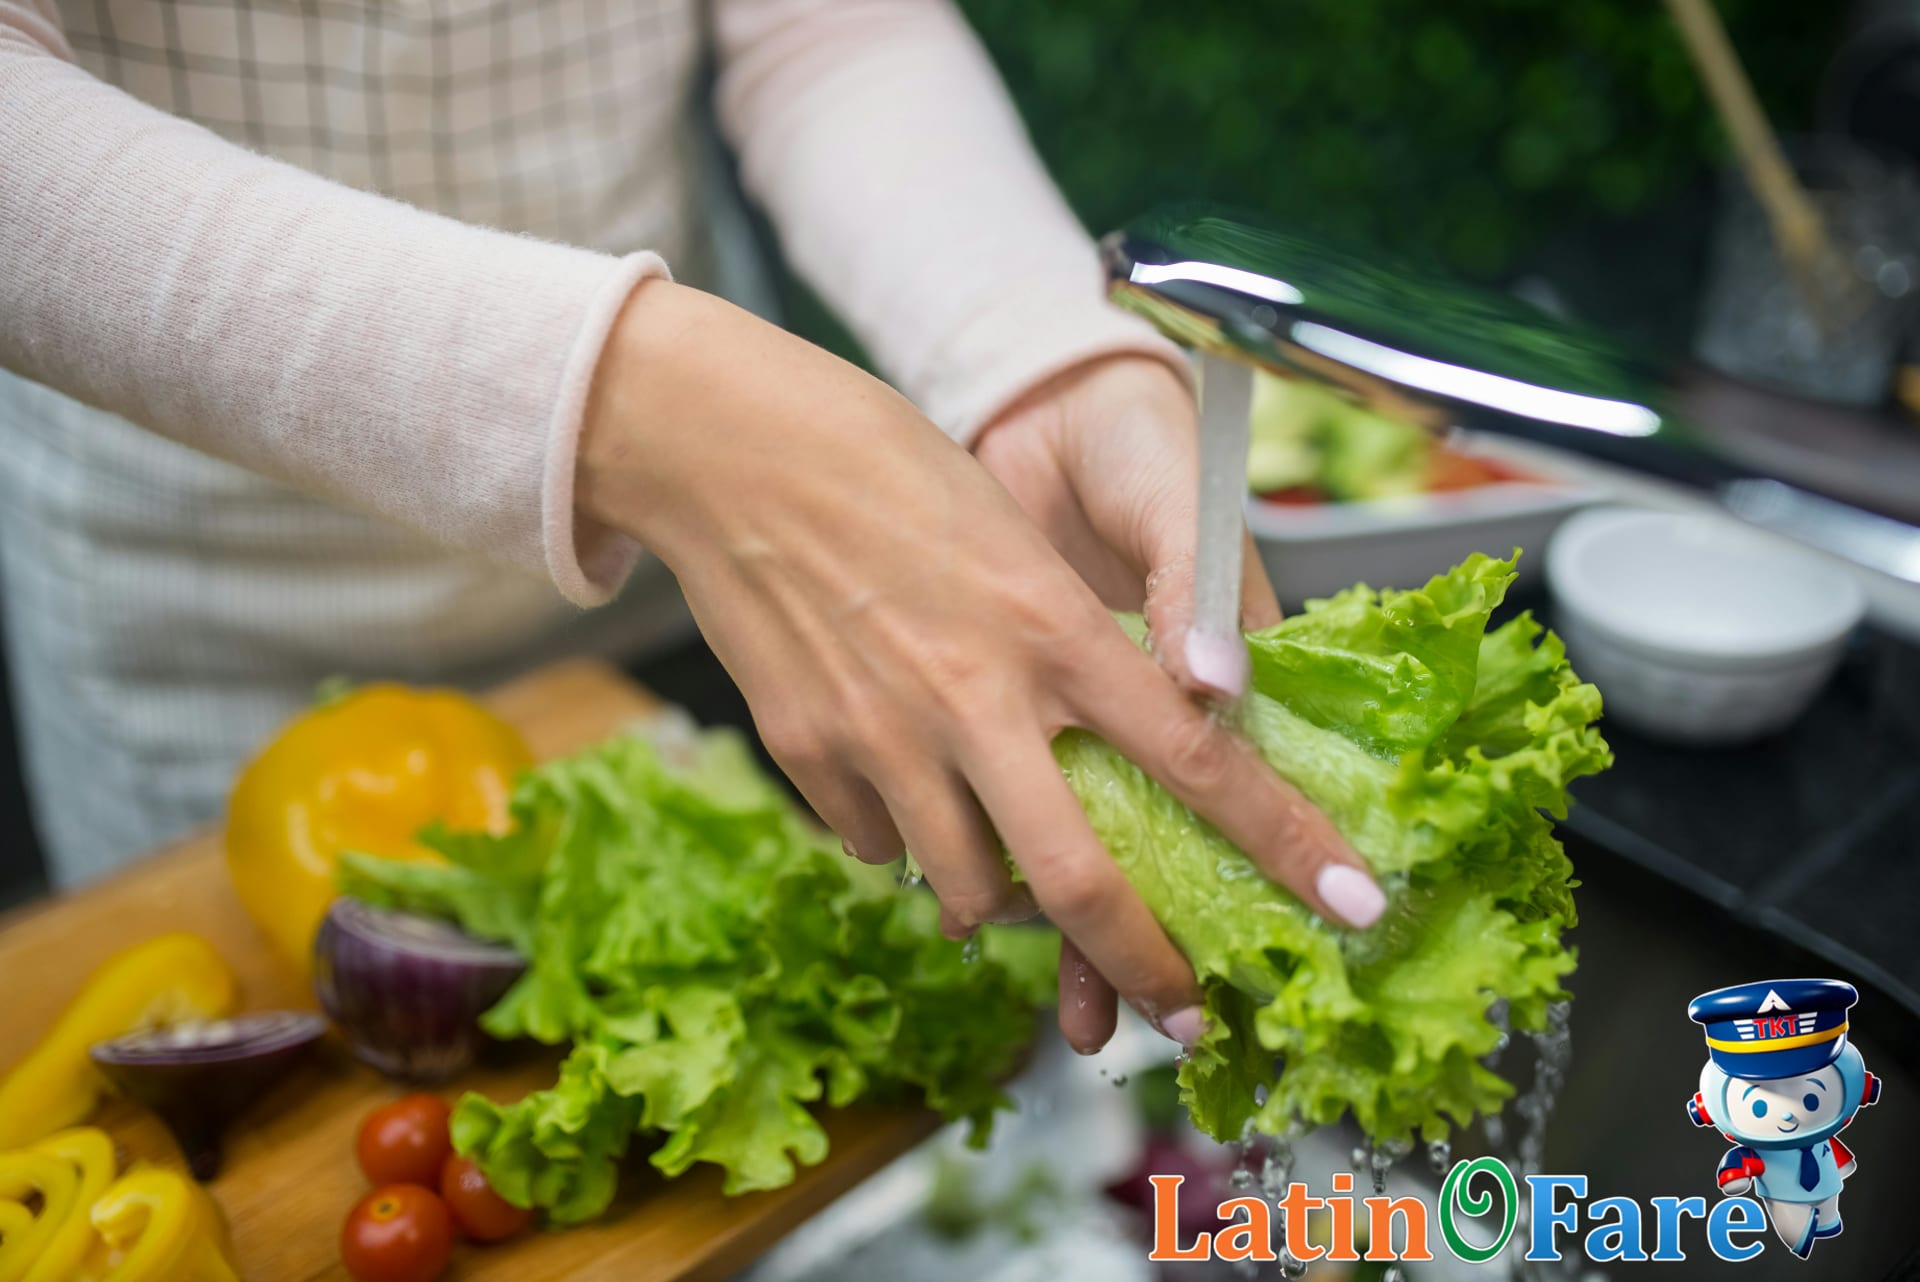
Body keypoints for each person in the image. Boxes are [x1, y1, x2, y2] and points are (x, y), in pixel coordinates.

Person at [0, 0, 1385, 1053]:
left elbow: (822, 29)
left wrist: (1036, 351)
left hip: (705, 605)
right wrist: (636, 409)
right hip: (217, 642)